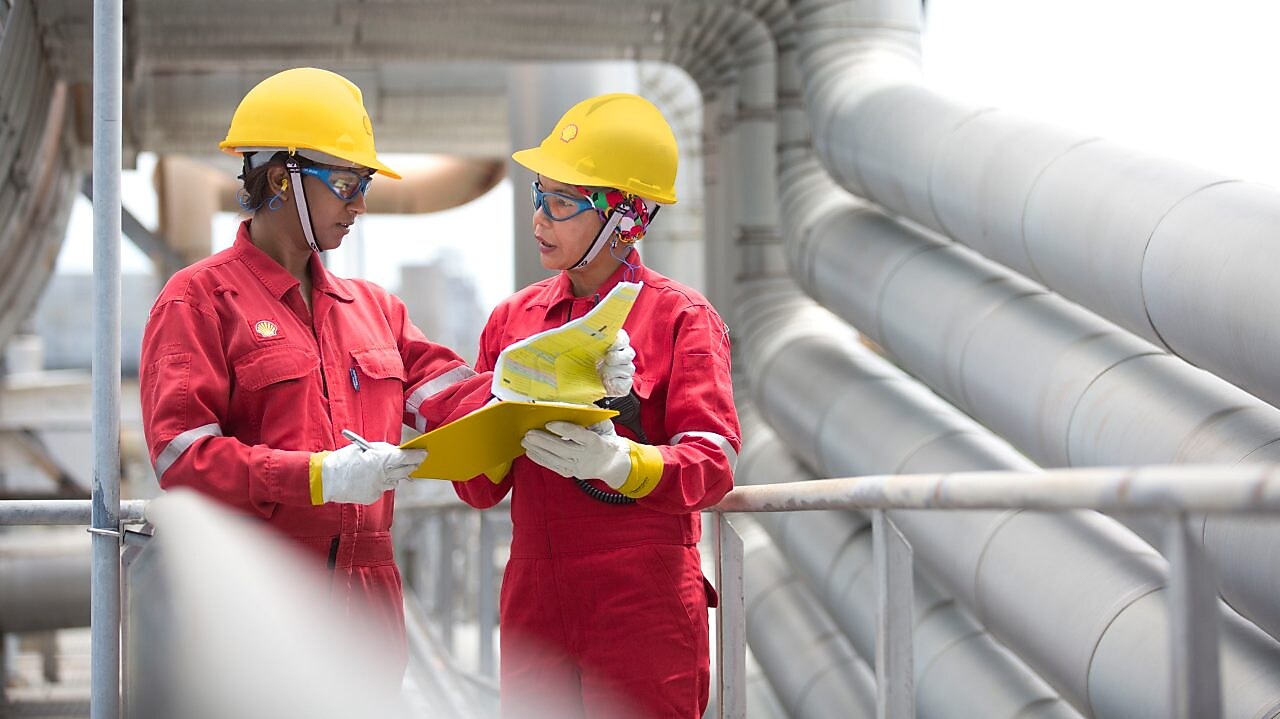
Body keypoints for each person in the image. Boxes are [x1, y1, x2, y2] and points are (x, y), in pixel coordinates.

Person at [137, 67, 500, 678]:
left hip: (369, 609)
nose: (360, 204)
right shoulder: (198, 301)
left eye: (363, 185)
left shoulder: (375, 310)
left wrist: (545, 376)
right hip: (260, 603)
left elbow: (457, 399)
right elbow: (182, 460)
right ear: (282, 177)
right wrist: (317, 477)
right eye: (347, 183)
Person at [454, 93, 740, 718]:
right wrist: (489, 427)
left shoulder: (680, 318)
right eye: (538, 194)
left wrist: (620, 465)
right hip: (535, 595)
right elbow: (476, 489)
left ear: (626, 218)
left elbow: (713, 462)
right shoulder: (512, 320)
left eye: (562, 202)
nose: (539, 219)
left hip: (642, 597)